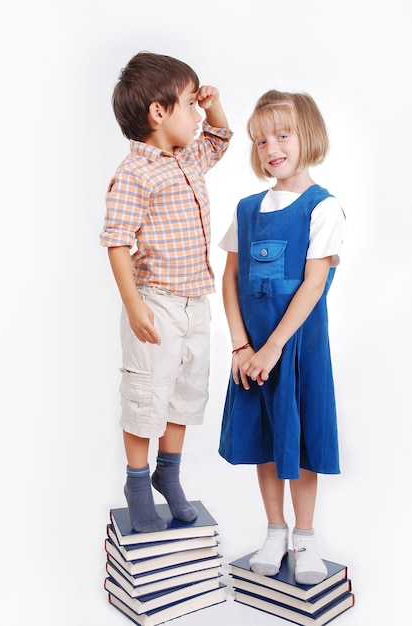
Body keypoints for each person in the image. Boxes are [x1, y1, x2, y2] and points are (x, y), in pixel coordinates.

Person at [100, 52, 232, 533]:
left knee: (185, 392)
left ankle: (168, 474)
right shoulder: (135, 173)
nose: (198, 115)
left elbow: (220, 136)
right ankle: (137, 482)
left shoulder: (190, 156)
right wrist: (134, 306)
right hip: (155, 301)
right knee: (145, 393)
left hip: (197, 301)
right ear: (159, 112)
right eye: (189, 104)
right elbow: (116, 241)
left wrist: (211, 103)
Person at [218, 90, 345, 585]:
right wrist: (240, 346)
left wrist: (273, 348)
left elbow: (315, 284)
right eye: (260, 139)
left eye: (283, 134)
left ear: (307, 135)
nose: (272, 147)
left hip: (297, 351)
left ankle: (306, 538)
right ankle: (275, 531)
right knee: (266, 439)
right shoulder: (247, 209)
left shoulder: (323, 207)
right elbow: (230, 278)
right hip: (252, 355)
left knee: (303, 440)